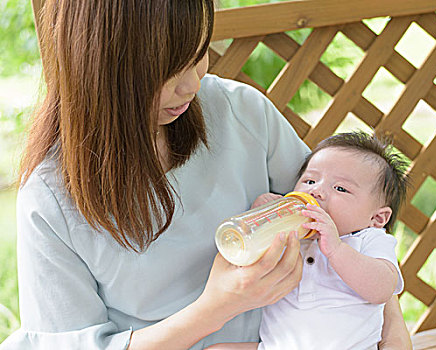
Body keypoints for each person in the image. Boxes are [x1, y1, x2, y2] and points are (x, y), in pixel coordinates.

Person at [1, 1, 411, 349]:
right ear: (100, 71)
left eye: (199, 53)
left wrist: (389, 319)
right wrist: (215, 309)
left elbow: (347, 224)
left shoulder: (239, 111)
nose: (193, 83)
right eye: (167, 69)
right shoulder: (52, 198)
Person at [208, 132, 409, 350]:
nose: (316, 191)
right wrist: (263, 219)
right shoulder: (291, 235)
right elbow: (247, 263)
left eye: (340, 188)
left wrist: (337, 249)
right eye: (310, 180)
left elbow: (382, 289)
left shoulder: (370, 239)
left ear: (377, 218)